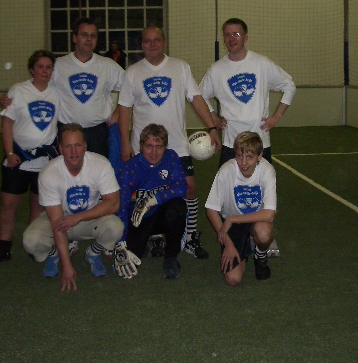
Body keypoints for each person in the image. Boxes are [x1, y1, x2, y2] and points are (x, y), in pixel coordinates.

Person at [118, 24, 221, 260]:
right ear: (141, 45)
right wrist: (125, 143)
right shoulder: (132, 72)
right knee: (146, 192)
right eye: (147, 41)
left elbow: (196, 99)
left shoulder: (180, 67)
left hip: (176, 144)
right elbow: (124, 109)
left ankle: (191, 237)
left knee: (189, 188)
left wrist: (212, 127)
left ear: (164, 42)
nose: (152, 44)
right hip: (145, 148)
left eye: (157, 40)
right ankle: (155, 236)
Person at [199, 17, 295, 256]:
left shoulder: (261, 63)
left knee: (261, 195)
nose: (231, 39)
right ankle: (232, 235)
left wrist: (276, 116)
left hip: (260, 143)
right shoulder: (217, 69)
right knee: (229, 195)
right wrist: (213, 118)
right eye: (227, 34)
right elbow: (200, 95)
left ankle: (264, 236)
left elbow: (289, 85)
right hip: (231, 143)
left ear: (246, 37)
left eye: (236, 34)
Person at [1, 17, 124, 159]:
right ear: (74, 38)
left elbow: (130, 88)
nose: (89, 39)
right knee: (66, 172)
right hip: (66, 131)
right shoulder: (58, 65)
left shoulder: (108, 66)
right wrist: (9, 99)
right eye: (84, 35)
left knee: (97, 171)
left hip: (97, 132)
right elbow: (36, 88)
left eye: (93, 36)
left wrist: (118, 113)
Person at [22, 124, 123, 292]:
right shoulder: (49, 173)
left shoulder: (101, 164)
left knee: (115, 227)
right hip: (59, 220)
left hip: (89, 218)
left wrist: (77, 217)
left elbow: (113, 203)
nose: (74, 151)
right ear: (60, 149)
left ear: (85, 146)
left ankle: (93, 253)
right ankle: (54, 253)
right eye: (68, 146)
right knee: (31, 241)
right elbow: (57, 224)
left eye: (78, 145)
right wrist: (66, 266)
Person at [0, 50, 60, 264]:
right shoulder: (18, 91)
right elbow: (7, 123)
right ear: (31, 69)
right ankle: (3, 248)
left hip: (44, 162)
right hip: (18, 158)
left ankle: (33, 245)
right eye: (40, 67)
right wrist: (9, 153)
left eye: (48, 67)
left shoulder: (57, 93)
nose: (44, 71)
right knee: (9, 204)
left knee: (38, 207)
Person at [114, 124, 188, 280]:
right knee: (131, 258)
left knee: (178, 206)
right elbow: (121, 207)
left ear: (165, 147)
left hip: (162, 215)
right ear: (141, 146)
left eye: (159, 147)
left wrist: (153, 200)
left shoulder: (170, 157)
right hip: (139, 219)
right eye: (149, 146)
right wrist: (121, 243)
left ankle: (171, 257)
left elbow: (181, 187)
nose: (154, 152)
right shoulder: (129, 169)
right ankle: (146, 243)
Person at [205, 131, 277, 286]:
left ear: (260, 156)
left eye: (250, 157)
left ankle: (260, 255)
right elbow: (211, 209)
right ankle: (244, 248)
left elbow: (269, 214)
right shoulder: (226, 170)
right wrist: (228, 244)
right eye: (239, 156)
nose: (243, 163)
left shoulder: (267, 170)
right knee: (233, 279)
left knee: (264, 232)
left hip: (255, 221)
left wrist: (232, 219)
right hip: (234, 228)